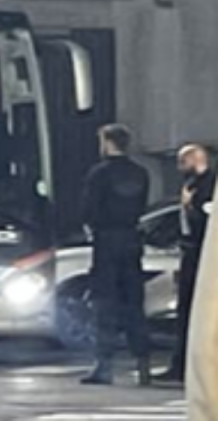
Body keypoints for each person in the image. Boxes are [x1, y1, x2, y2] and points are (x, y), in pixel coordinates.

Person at [79, 124, 151, 386]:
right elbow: (141, 205)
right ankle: (143, 363)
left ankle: (104, 365)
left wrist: (90, 227)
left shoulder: (99, 173)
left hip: (107, 241)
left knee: (105, 303)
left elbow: (89, 209)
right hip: (131, 240)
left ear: (108, 143)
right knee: (134, 302)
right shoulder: (141, 173)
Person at [156, 144, 215, 383]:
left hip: (201, 254)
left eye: (182, 162)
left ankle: (186, 367)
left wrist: (192, 206)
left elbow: (205, 218)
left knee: (195, 311)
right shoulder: (192, 184)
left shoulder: (208, 185)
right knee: (186, 312)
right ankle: (180, 364)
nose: (179, 168)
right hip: (190, 251)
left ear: (194, 160)